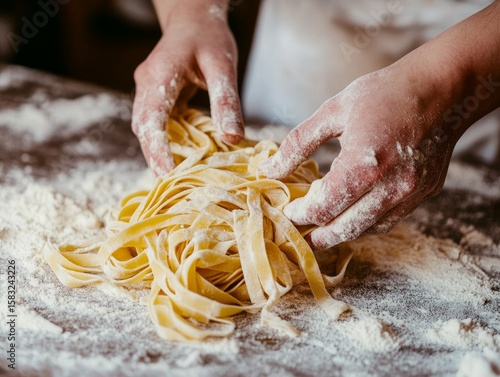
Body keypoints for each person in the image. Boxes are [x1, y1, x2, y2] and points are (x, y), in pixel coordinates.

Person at [132, 0, 500, 250]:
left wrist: (450, 84)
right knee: (270, 164)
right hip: (302, 45)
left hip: (479, 61)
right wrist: (190, 14)